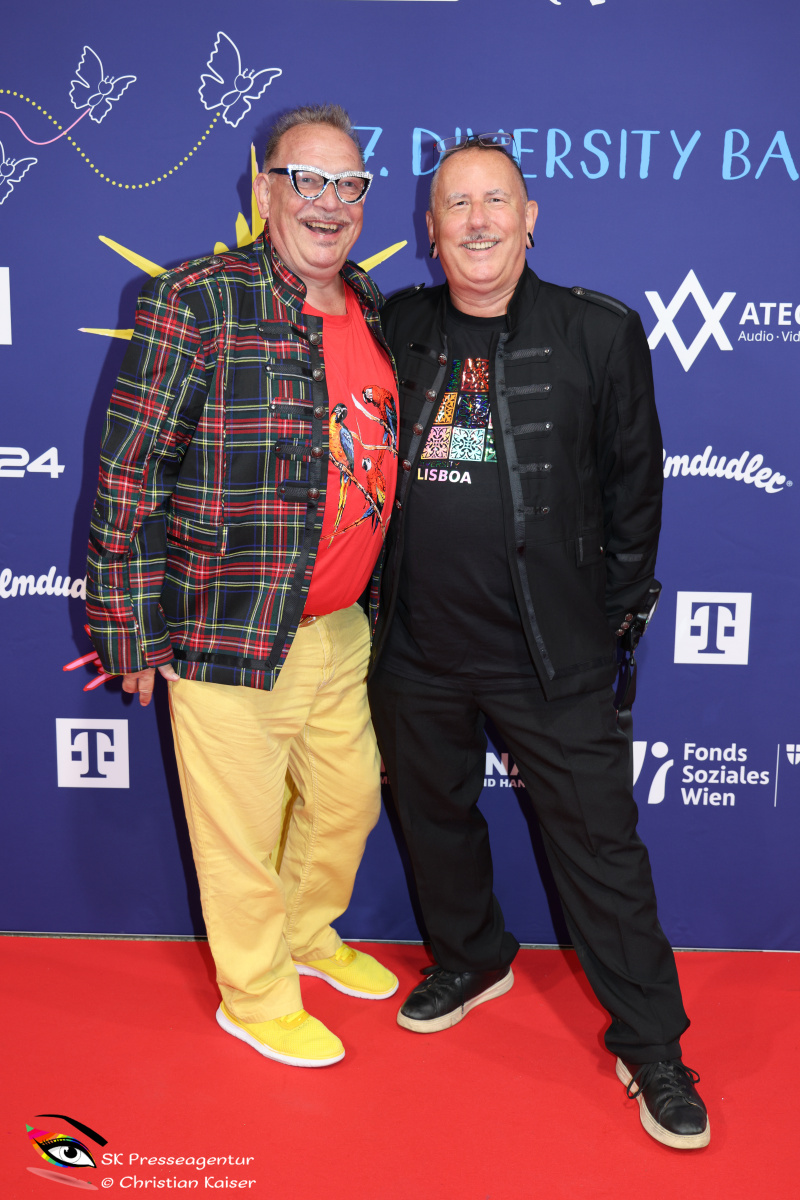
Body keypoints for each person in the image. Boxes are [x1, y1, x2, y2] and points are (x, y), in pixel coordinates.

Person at [368, 133, 709, 1148]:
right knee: (431, 820)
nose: (476, 221)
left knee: (601, 851)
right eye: (455, 204)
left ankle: (653, 1046)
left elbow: (634, 492)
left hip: (552, 655)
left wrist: (602, 622)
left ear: (529, 218)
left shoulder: (599, 331)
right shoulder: (396, 324)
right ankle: (471, 957)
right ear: (429, 229)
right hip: (415, 648)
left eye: (495, 201)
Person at [86, 104, 400, 1069]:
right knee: (240, 837)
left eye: (349, 184)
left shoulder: (370, 305)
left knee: (348, 803)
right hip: (229, 629)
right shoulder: (196, 300)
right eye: (307, 180)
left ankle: (305, 935)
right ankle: (256, 997)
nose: (330, 202)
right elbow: (129, 473)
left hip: (341, 627)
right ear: (264, 189)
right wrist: (129, 630)